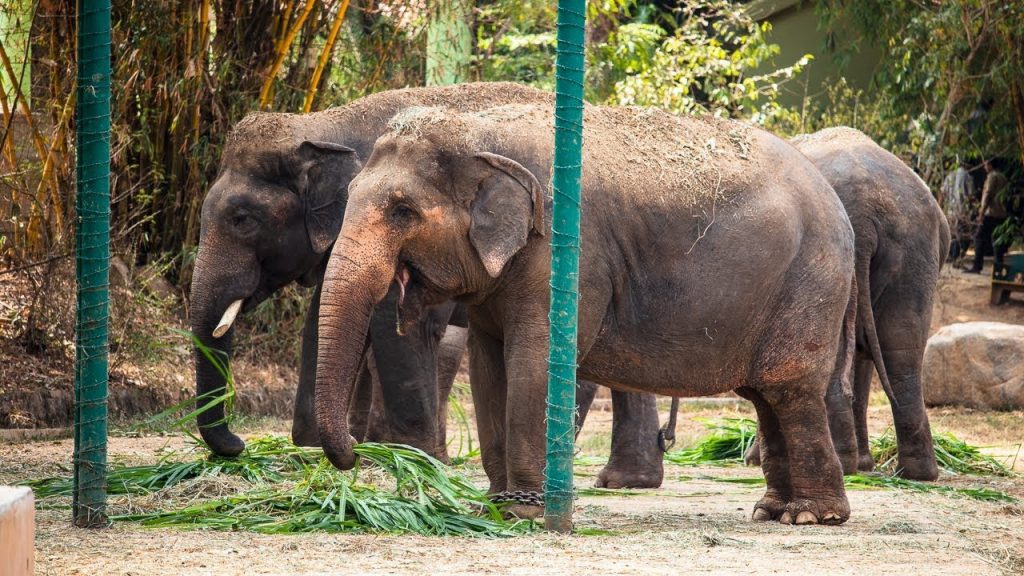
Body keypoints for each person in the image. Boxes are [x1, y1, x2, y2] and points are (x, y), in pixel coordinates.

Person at [964, 159, 1009, 273]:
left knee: (979, 238)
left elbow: (987, 194)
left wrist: (981, 213)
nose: (984, 167)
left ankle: (977, 266)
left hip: (990, 213)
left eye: (986, 164)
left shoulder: (991, 177)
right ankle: (999, 267)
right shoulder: (1003, 177)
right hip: (1002, 213)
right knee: (997, 240)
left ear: (990, 165)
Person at [942, 159, 976, 262]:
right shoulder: (968, 176)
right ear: (968, 166)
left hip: (950, 210)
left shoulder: (950, 175)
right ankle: (956, 256)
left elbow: (943, 192)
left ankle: (948, 255)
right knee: (961, 235)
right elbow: (971, 196)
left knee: (951, 233)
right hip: (962, 211)